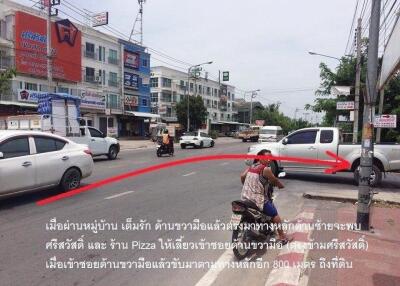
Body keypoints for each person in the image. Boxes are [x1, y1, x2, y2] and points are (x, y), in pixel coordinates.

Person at [240, 149, 292, 245]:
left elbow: (242, 176)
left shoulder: (250, 167)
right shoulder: (266, 169)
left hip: (245, 197)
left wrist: (247, 187)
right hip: (257, 199)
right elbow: (274, 180)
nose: (269, 160)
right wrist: (280, 185)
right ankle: (283, 238)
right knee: (275, 215)